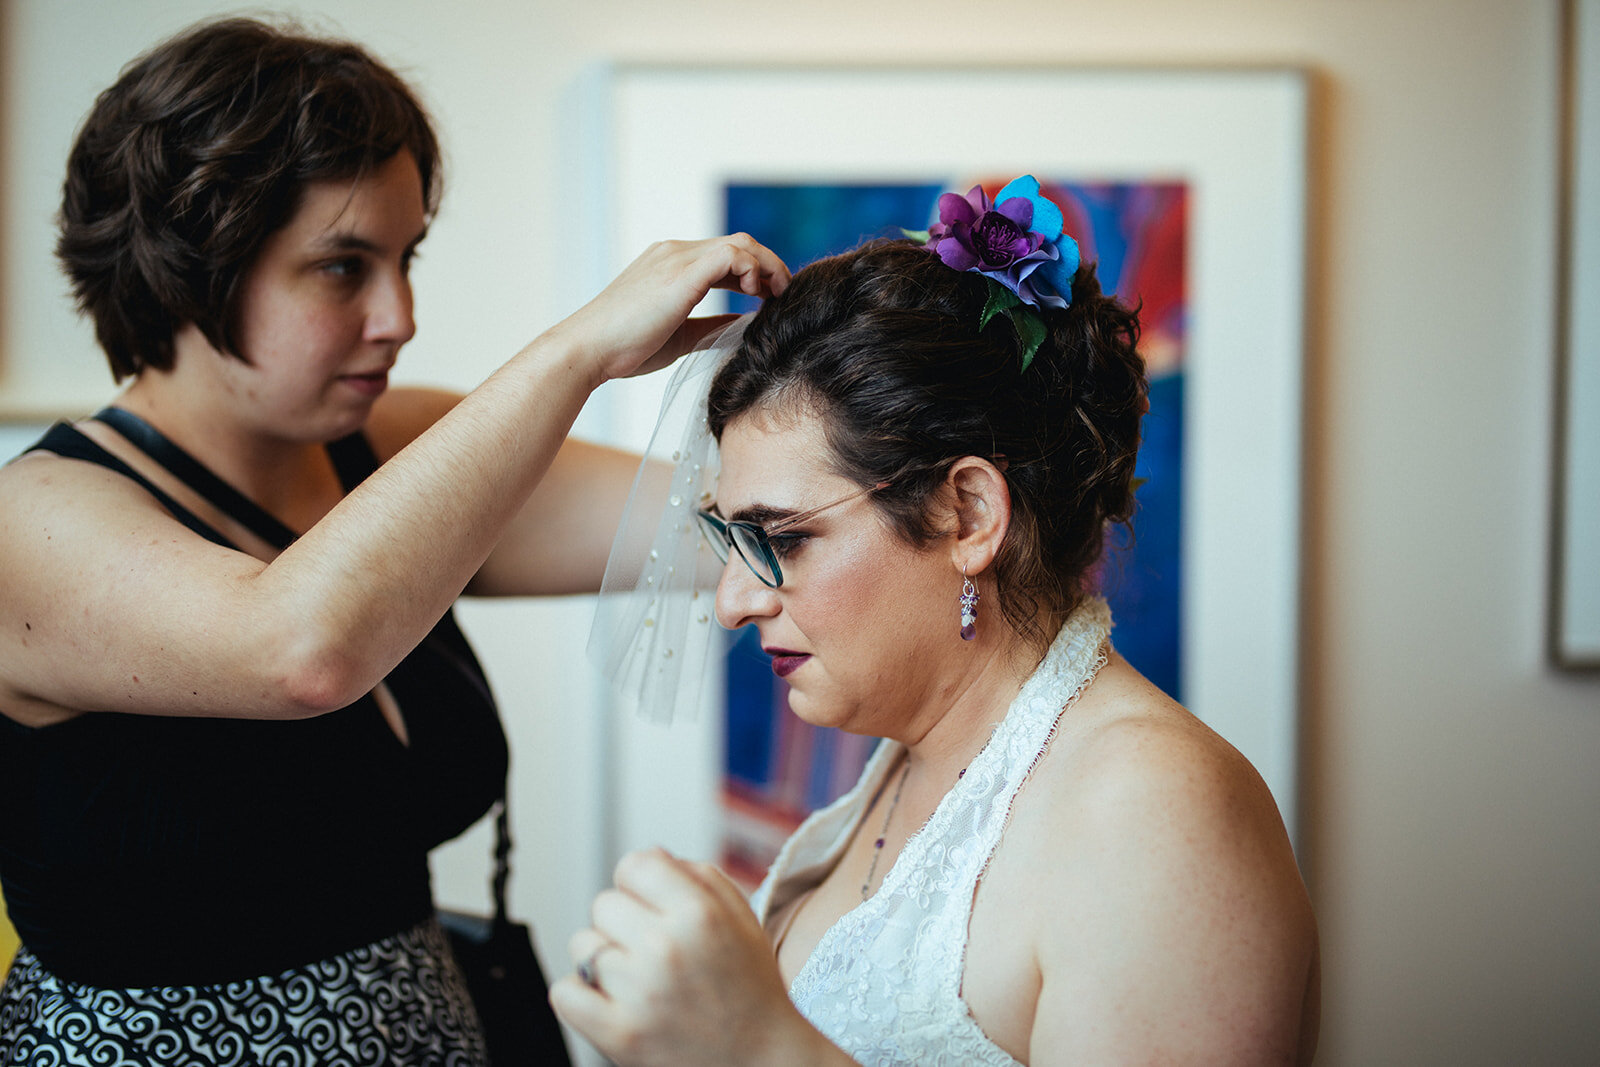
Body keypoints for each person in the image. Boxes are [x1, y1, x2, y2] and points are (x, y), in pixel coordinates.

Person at [0, 16, 788, 1066]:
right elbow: (300, 648)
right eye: (341, 267)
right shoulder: (35, 520)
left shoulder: (390, 445)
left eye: (406, 256)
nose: (399, 314)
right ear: (187, 264)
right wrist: (578, 350)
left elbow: (720, 532)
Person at [551, 179, 1320, 1065]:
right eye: (730, 538)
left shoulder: (1158, 814)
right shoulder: (909, 759)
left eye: (783, 540)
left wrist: (758, 1049)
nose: (731, 600)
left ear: (967, 515)